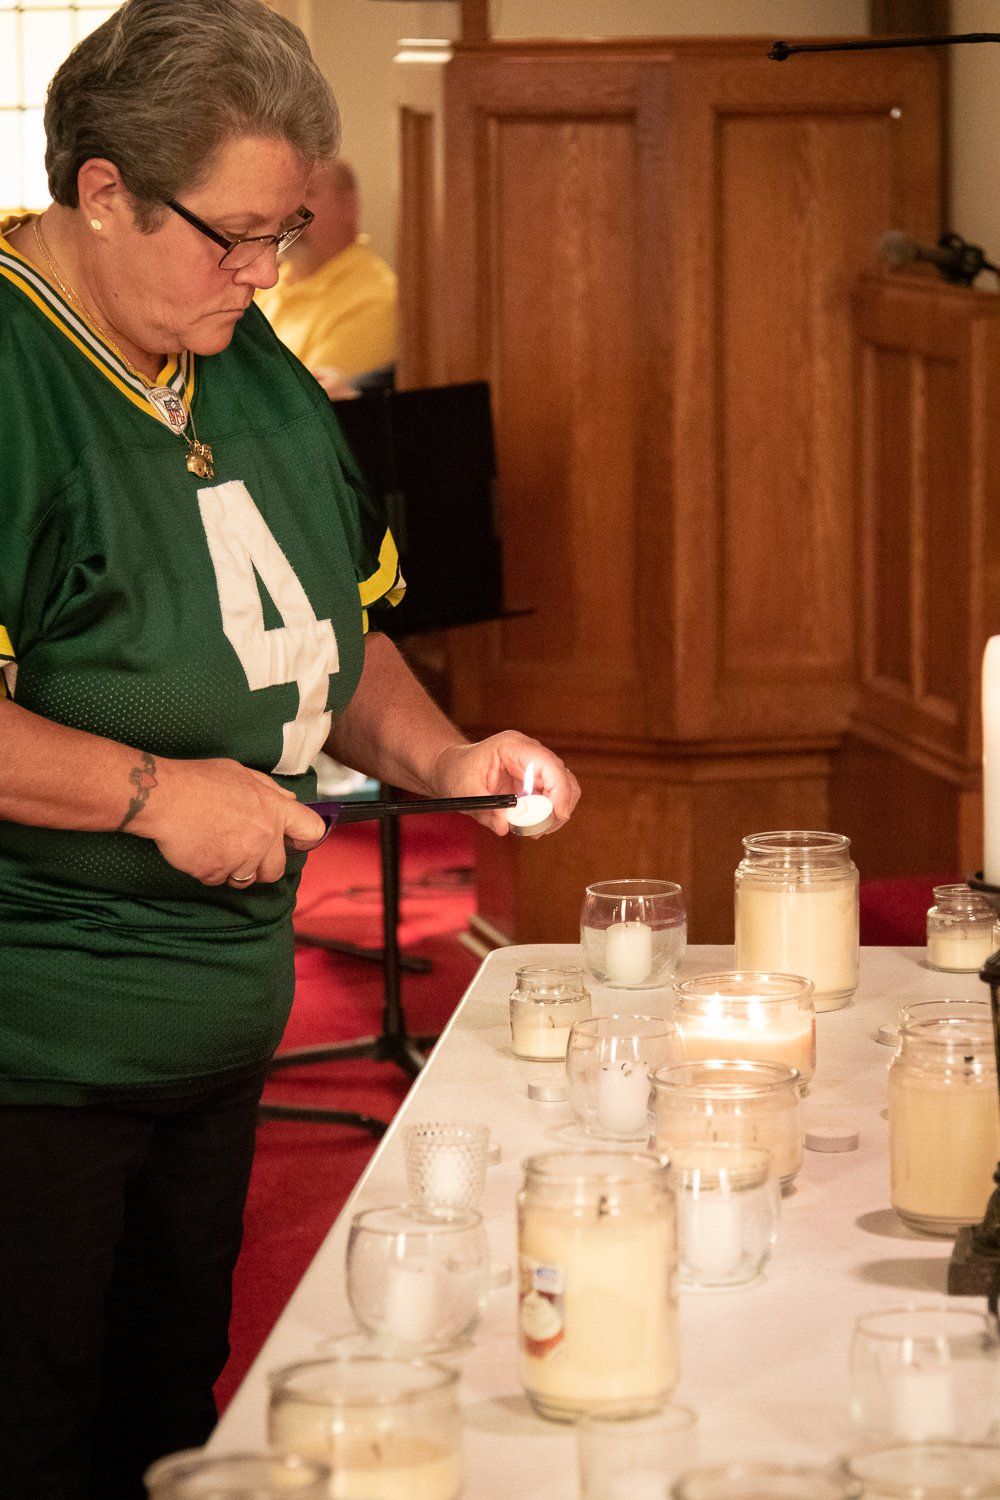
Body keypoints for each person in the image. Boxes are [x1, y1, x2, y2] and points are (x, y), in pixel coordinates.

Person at [0, 2, 580, 1495]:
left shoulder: (238, 346)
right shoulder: (13, 375)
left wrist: (445, 759)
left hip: (217, 1014)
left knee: (171, 1418)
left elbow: (342, 634)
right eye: (236, 236)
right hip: (37, 1042)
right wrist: (147, 793)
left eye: (287, 232)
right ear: (104, 189)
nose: (268, 273)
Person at [257, 157, 397, 398]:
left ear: (348, 206)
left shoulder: (376, 301)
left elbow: (302, 406)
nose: (288, 212)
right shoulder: (260, 280)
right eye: (283, 194)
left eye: (305, 193)